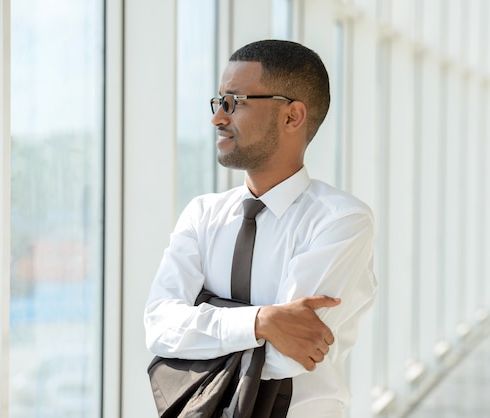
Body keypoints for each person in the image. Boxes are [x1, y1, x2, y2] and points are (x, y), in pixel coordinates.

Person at [145, 39, 377, 417]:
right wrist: (262, 321)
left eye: (235, 101)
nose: (218, 117)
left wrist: (202, 323)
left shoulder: (341, 221)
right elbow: (159, 326)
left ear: (292, 117)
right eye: (219, 101)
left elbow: (289, 359)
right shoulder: (202, 214)